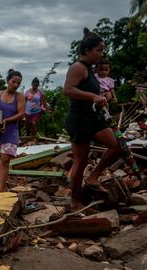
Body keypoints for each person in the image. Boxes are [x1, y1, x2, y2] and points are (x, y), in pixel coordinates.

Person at [63, 28, 122, 211]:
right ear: (87, 51)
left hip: (92, 117)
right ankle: (75, 201)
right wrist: (93, 97)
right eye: (99, 50)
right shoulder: (78, 67)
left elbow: (92, 95)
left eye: (103, 50)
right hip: (79, 120)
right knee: (81, 161)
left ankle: (93, 177)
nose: (102, 54)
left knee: (117, 145)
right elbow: (68, 90)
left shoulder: (90, 70)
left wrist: (101, 100)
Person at [0, 69, 25, 193]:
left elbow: (21, 114)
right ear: (7, 81)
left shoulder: (19, 97)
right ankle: (2, 185)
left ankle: (1, 190)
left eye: (18, 83)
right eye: (13, 81)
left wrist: (7, 120)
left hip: (11, 132)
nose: (16, 85)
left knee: (5, 160)